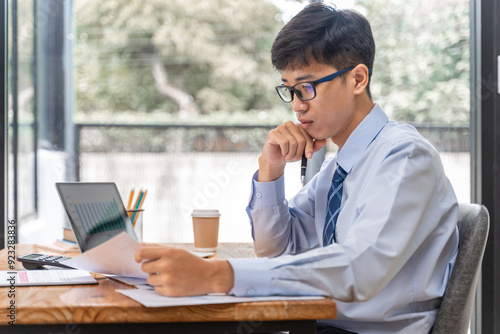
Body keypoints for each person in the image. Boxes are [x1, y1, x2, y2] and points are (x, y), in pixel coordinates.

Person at [135, 3, 459, 333]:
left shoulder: (403, 157)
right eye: (289, 89)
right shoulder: (340, 168)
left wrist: (217, 275)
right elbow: (276, 249)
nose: (297, 104)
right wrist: (270, 170)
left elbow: (360, 267)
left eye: (306, 86)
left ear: (357, 79)